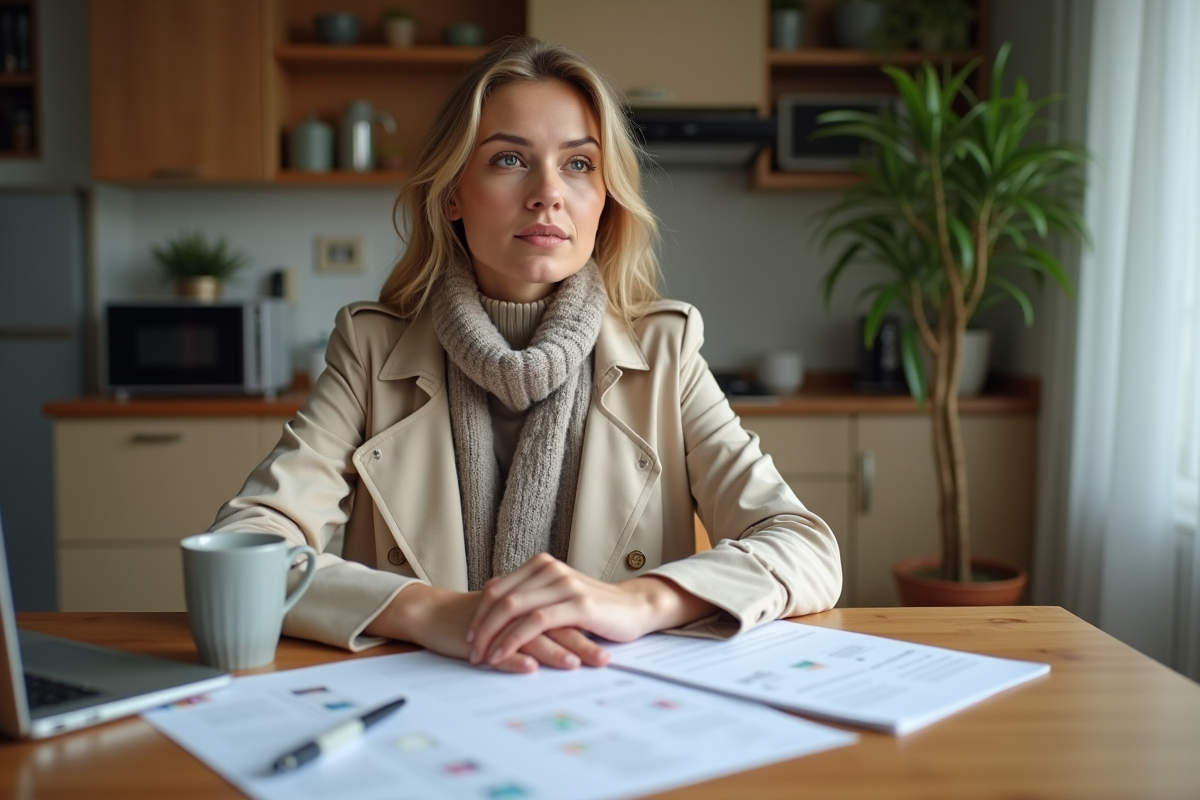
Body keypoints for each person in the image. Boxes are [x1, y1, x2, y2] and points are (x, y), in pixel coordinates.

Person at [210, 36, 841, 673]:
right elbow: (244, 545)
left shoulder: (666, 350)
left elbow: (805, 547)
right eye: (510, 159)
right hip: (424, 708)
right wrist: (430, 612)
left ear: (606, 198)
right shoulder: (372, 349)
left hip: (612, 705)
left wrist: (639, 603)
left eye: (578, 164)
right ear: (453, 193)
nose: (547, 193)